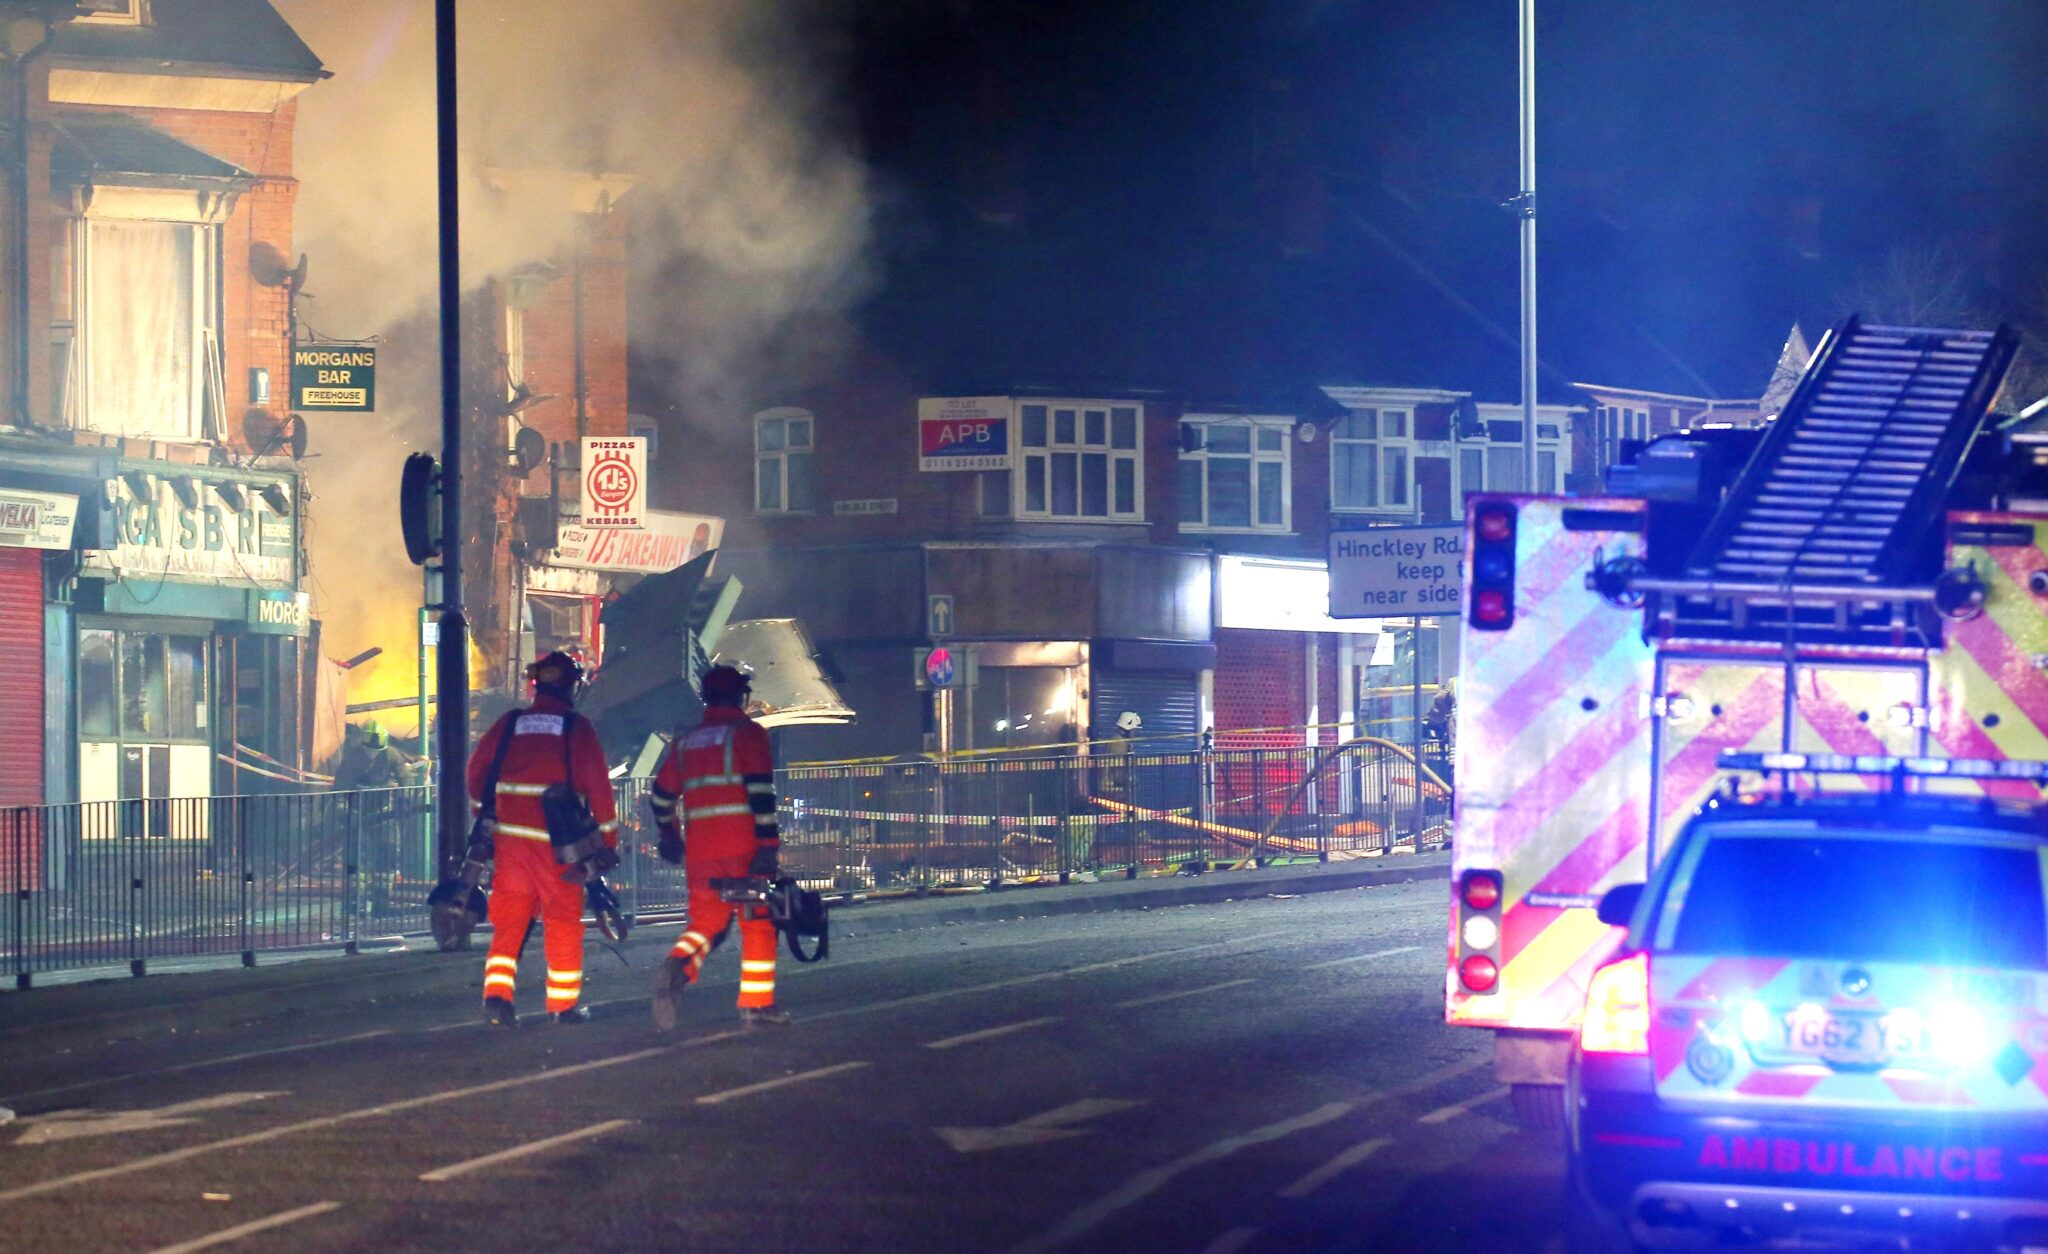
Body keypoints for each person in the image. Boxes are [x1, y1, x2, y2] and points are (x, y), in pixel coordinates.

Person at [466, 651, 619, 1027]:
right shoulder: (576, 727)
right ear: (571, 686)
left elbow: (476, 770)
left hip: (510, 842)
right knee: (563, 920)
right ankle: (562, 1007)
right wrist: (608, 844)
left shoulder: (510, 722)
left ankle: (497, 1000)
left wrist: (484, 813)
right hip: (560, 845)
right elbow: (598, 789)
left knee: (511, 923)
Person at [648, 664, 786, 1030]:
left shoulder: (685, 741)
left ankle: (677, 963)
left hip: (701, 852)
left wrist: (669, 835)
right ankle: (756, 1006)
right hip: (744, 848)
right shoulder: (748, 733)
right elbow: (760, 793)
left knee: (707, 921)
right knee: (757, 924)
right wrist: (768, 846)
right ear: (742, 696)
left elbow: (660, 797)